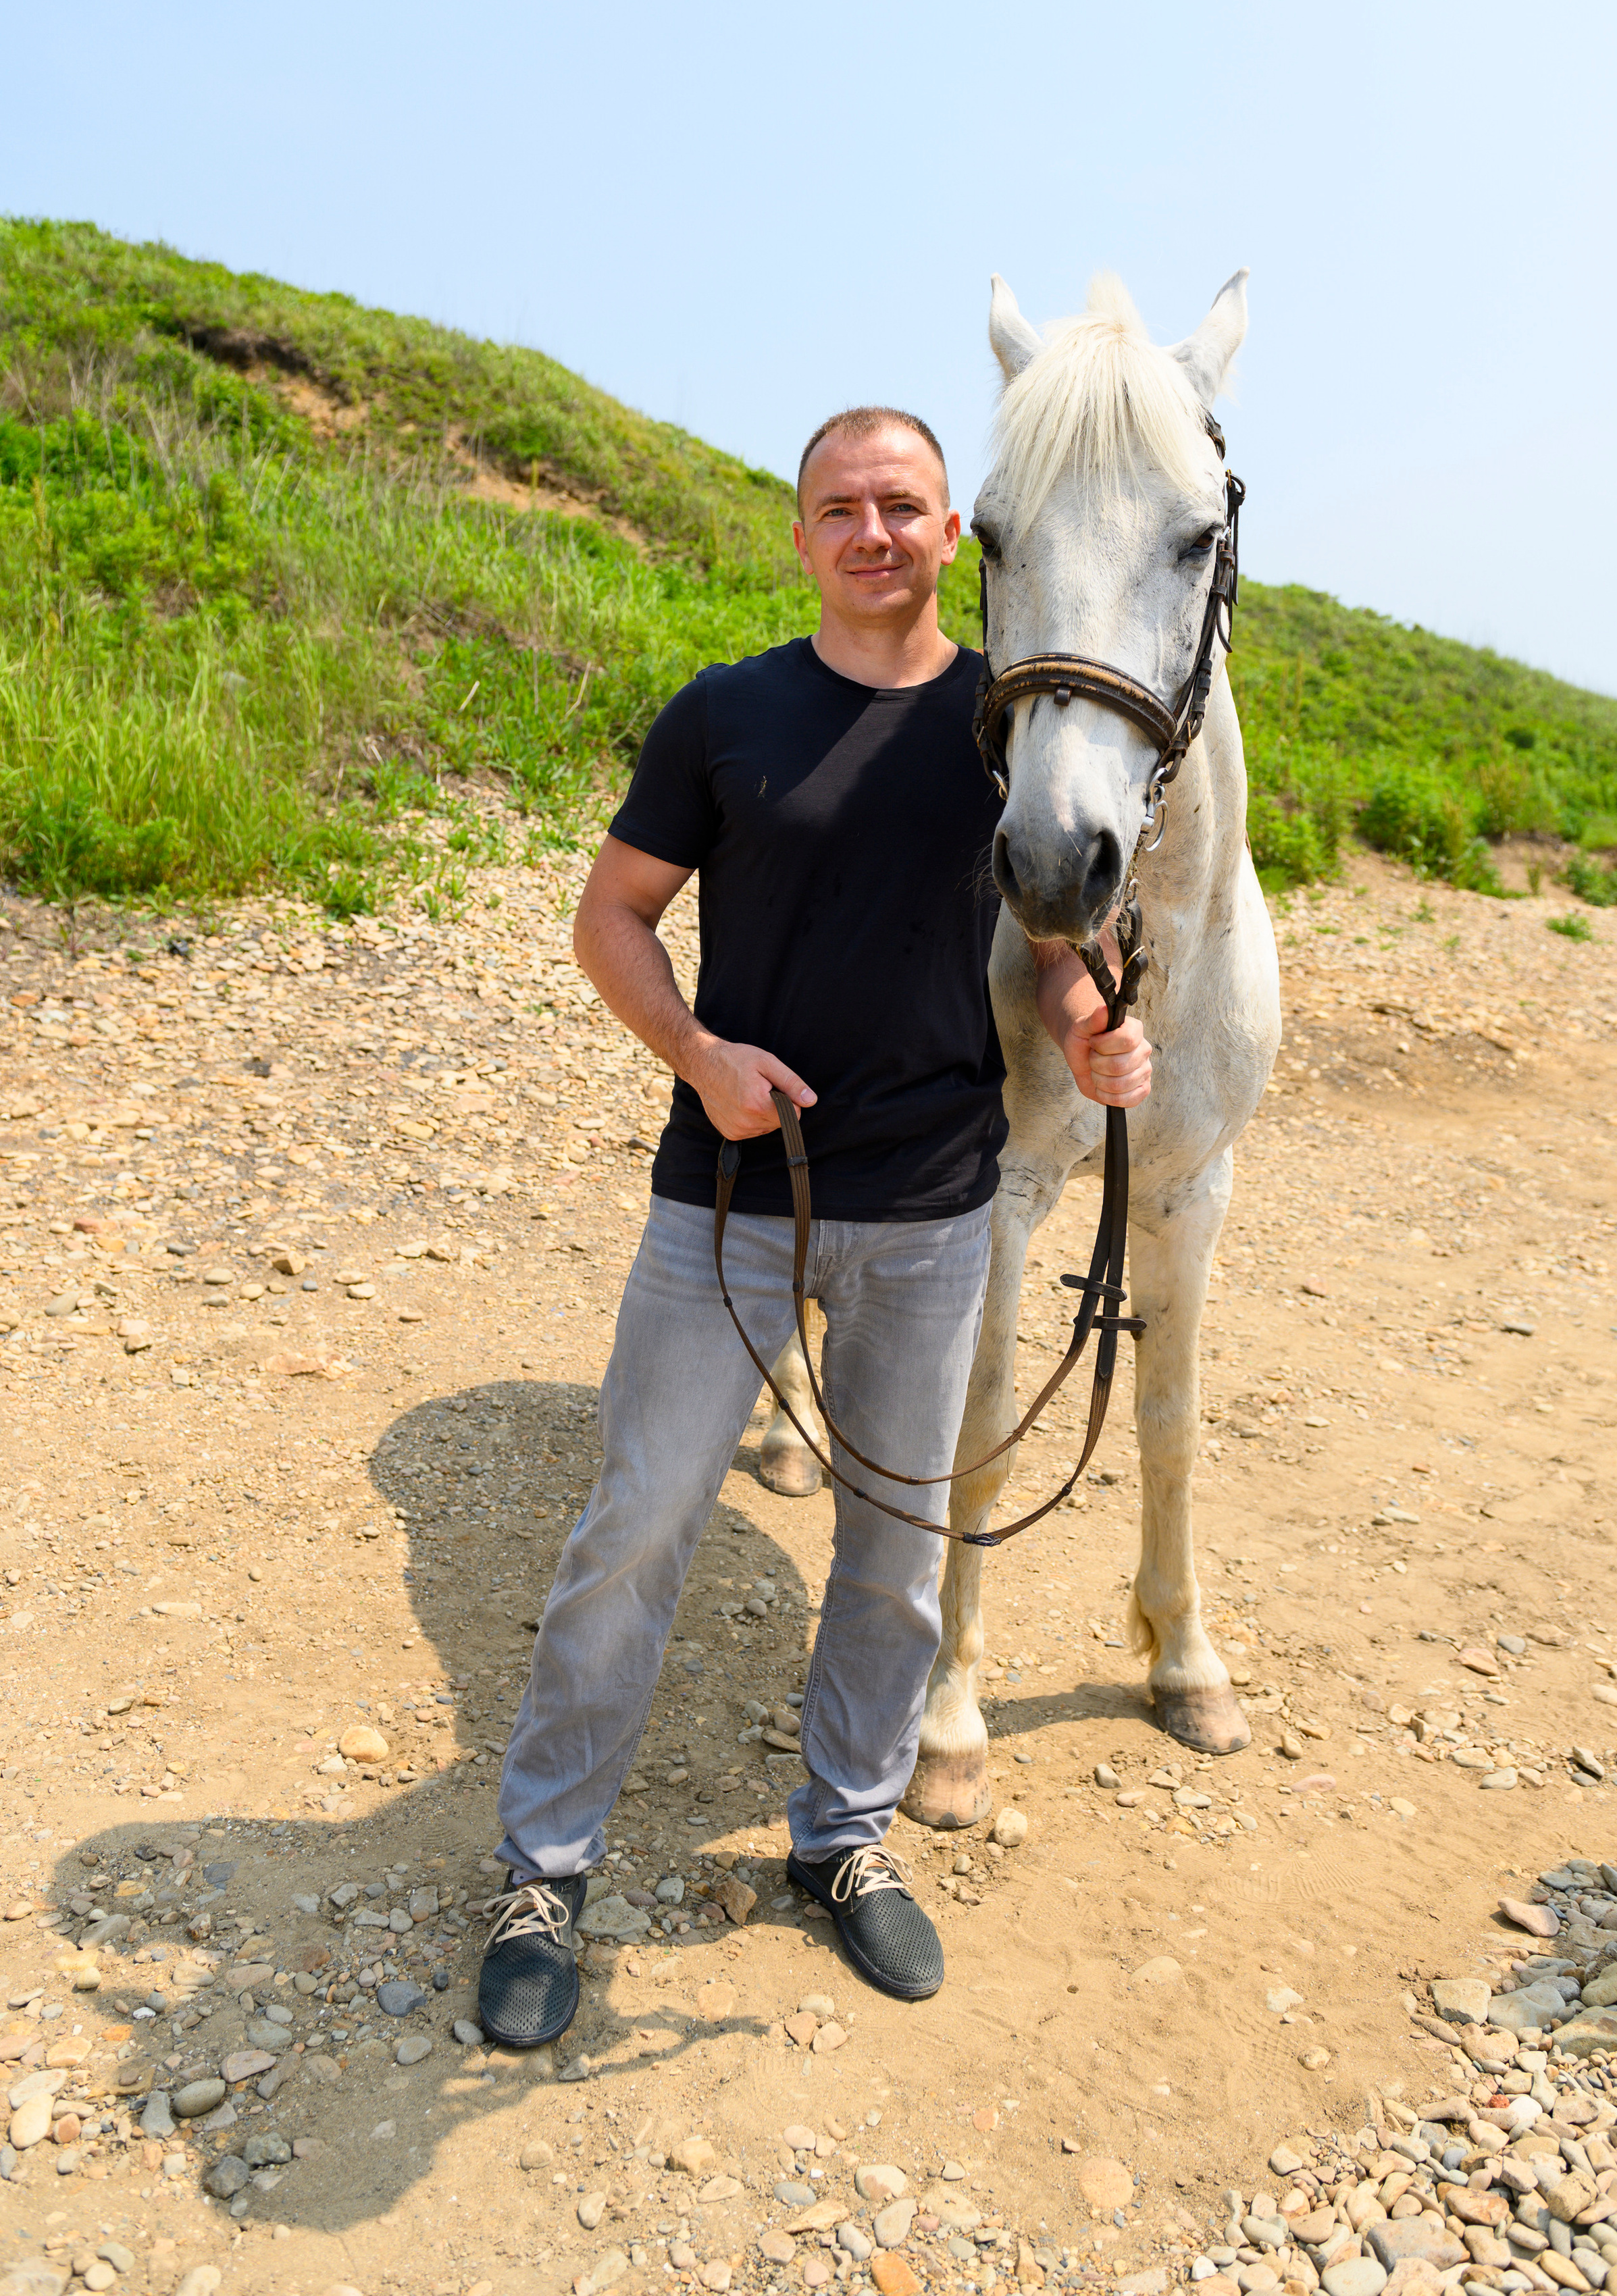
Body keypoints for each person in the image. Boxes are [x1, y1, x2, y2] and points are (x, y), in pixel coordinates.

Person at [478, 408, 1152, 2047]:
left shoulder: (1007, 723)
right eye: (839, 507)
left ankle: (842, 1836)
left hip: (930, 1211)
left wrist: (1086, 1030)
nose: (871, 531)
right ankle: (543, 1871)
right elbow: (610, 914)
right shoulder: (727, 711)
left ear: (949, 534)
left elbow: (1047, 943)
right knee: (638, 1524)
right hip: (727, 1202)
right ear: (799, 537)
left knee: (895, 1554)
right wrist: (697, 1054)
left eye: (901, 505)